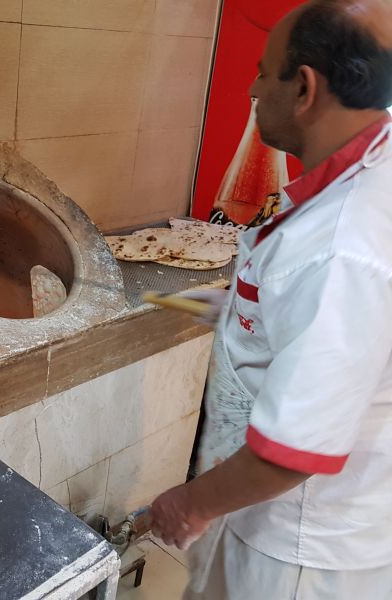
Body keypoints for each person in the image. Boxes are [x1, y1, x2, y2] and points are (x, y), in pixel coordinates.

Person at [149, 0, 392, 597]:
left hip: (302, 540)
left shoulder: (343, 247)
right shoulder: (362, 170)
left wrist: (189, 504)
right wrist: (244, 313)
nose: (253, 87)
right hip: (282, 508)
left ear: (305, 88)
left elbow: (294, 452)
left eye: (264, 71)